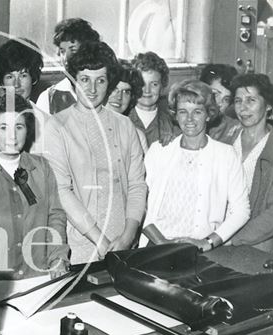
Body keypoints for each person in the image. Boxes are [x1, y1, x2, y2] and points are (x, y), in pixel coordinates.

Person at [42, 41, 147, 264]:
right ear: (73, 82)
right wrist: (100, 241)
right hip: (82, 241)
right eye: (84, 80)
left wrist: (128, 236)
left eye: (100, 80)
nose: (91, 89)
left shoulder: (125, 125)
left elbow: (137, 184)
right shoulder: (57, 126)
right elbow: (62, 190)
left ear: (109, 83)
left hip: (123, 238)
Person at [0, 94, 69, 279]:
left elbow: (56, 216)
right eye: (3, 127)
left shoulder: (41, 168)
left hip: (39, 274)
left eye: (18, 127)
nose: (12, 136)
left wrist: (57, 259)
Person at [142, 80, 250, 251]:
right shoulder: (159, 150)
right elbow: (140, 203)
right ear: (175, 115)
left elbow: (241, 210)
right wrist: (161, 243)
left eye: (197, 112)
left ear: (208, 114)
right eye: (183, 111)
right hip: (155, 245)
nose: (190, 119)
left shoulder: (226, 155)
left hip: (200, 249)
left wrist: (207, 242)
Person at [229, 74, 273, 252]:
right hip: (219, 232)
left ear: (268, 105)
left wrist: (233, 239)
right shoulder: (226, 140)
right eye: (238, 100)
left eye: (251, 100)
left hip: (256, 241)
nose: (243, 108)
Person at [0, 38, 49, 155]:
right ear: (2, 82)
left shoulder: (48, 123)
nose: (16, 84)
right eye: (10, 77)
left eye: (23, 76)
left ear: (33, 78)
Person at [36, 18, 100, 115]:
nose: (66, 58)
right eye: (62, 51)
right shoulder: (48, 98)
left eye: (73, 50)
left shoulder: (104, 92)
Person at [129, 51, 178, 147]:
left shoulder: (172, 126)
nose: (147, 90)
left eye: (154, 84)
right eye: (141, 84)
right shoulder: (123, 120)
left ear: (162, 86)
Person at [106, 60, 149, 152]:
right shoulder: (80, 129)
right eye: (114, 89)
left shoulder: (137, 136)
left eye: (126, 92)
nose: (119, 97)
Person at [199, 63, 241, 144]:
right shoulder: (184, 124)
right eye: (215, 94)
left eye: (226, 99)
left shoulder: (236, 130)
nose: (219, 103)